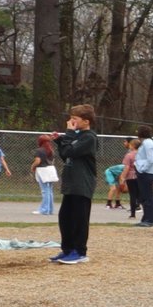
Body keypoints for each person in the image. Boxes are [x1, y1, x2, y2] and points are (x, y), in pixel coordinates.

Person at [51, 105, 100, 264]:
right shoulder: (77, 136)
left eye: (74, 119)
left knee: (79, 218)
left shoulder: (89, 137)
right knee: (65, 217)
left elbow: (69, 151)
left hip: (82, 183)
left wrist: (69, 134)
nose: (70, 121)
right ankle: (68, 249)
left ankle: (80, 252)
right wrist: (60, 141)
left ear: (86, 121)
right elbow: (66, 156)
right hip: (71, 183)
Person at [131, 130, 153, 225]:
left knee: (147, 197)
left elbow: (150, 159)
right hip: (145, 172)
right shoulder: (145, 143)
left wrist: (142, 169)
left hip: (147, 173)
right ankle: (146, 218)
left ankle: (150, 219)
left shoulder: (148, 143)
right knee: (144, 196)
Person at [33, 134, 58, 217]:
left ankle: (44, 210)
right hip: (51, 169)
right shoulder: (51, 150)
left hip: (42, 170)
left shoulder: (39, 150)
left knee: (45, 190)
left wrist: (32, 167)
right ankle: (50, 209)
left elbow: (38, 161)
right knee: (49, 190)